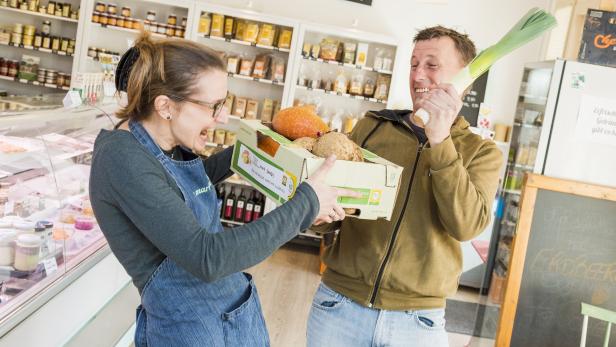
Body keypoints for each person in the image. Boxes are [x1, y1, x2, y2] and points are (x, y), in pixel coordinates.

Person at [89, 33, 355, 347]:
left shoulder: (166, 141)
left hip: (228, 315)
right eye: (213, 106)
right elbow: (208, 257)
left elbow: (191, 184)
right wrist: (306, 204)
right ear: (165, 106)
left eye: (223, 103)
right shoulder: (123, 159)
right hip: (189, 331)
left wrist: (266, 140)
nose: (223, 117)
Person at [307, 26, 503, 346]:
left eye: (432, 65)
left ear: (465, 77)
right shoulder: (373, 127)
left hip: (417, 322)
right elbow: (336, 207)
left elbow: (467, 225)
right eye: (413, 64)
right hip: (340, 304)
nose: (418, 75)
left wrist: (440, 143)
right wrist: (316, 216)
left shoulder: (482, 153)